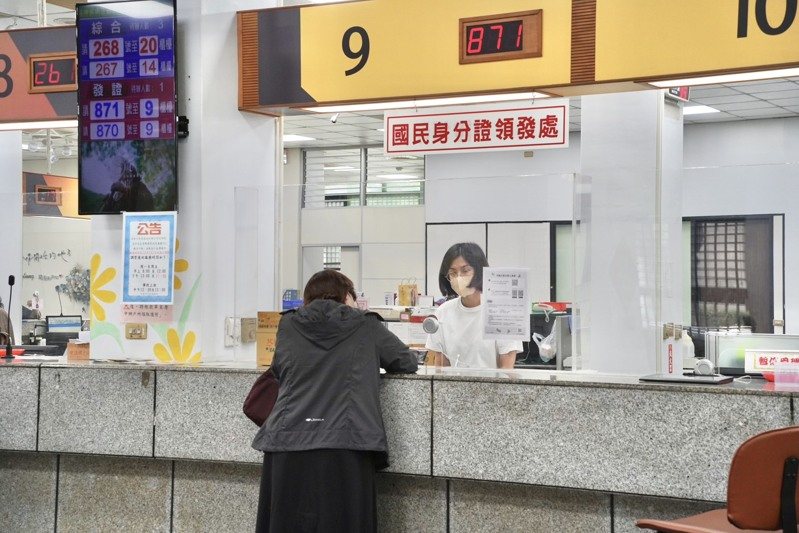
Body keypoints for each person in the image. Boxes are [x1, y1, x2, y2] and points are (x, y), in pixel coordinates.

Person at [252, 269, 418, 533]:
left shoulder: (289, 325)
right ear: (347, 297)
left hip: (287, 443)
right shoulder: (366, 325)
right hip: (347, 445)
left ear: (307, 300)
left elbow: (280, 369)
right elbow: (406, 361)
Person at [425, 242, 522, 369]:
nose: (459, 278)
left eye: (465, 271)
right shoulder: (443, 312)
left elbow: (507, 369)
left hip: (492, 382)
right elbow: (441, 367)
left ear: (480, 272)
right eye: (453, 273)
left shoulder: (503, 311)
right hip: (454, 382)